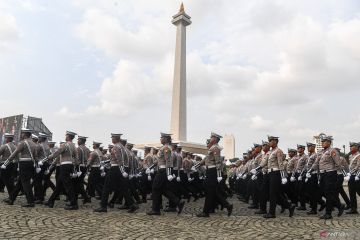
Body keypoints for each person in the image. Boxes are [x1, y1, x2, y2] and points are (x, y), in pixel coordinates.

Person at [94, 133, 138, 213]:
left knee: (106, 187)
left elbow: (119, 159)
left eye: (112, 138)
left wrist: (122, 170)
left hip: (116, 169)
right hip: (122, 168)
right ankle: (132, 204)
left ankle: (103, 206)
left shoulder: (116, 147)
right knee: (123, 188)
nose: (112, 139)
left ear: (116, 139)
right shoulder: (123, 148)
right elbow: (122, 160)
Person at [146, 133, 185, 216]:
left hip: (163, 171)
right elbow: (158, 161)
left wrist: (169, 173)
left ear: (166, 139)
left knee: (155, 188)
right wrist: (150, 167)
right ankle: (178, 202)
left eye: (162, 138)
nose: (160, 139)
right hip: (162, 169)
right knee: (162, 189)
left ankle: (155, 209)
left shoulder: (166, 148)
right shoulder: (164, 148)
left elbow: (168, 161)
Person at [196, 132, 233, 218]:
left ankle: (206, 212)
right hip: (210, 171)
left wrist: (219, 175)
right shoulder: (212, 148)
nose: (210, 138)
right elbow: (206, 160)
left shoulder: (216, 148)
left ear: (215, 139)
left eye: (212, 137)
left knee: (210, 191)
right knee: (212, 192)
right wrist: (197, 165)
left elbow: (218, 162)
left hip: (212, 172)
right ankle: (227, 205)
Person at [308, 135, 345, 219]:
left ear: (329, 142)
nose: (322, 143)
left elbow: (338, 163)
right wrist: (309, 171)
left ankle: (328, 213)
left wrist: (338, 173)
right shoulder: (321, 152)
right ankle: (339, 205)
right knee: (321, 192)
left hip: (330, 174)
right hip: (322, 174)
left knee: (328, 193)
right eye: (322, 142)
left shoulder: (333, 151)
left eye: (324, 141)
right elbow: (316, 163)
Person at [2, 129, 37, 207]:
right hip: (30, 163)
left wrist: (5, 163)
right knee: (20, 183)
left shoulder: (23, 143)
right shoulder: (34, 144)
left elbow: (14, 154)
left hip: (24, 164)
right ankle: (11, 199)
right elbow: (36, 157)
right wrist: (37, 166)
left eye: (22, 133)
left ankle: (30, 202)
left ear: (25, 134)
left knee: (26, 183)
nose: (21, 135)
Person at [45, 131, 79, 210]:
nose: (65, 136)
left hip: (64, 166)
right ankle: (51, 201)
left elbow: (56, 153)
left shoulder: (65, 145)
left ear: (68, 137)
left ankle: (74, 203)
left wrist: (48, 158)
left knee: (68, 185)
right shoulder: (73, 146)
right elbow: (76, 158)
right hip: (70, 165)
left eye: (66, 135)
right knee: (59, 185)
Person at [345, 142, 360, 214]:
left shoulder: (358, 156)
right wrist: (348, 173)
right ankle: (353, 209)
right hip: (351, 176)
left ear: (357, 147)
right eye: (350, 146)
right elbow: (350, 166)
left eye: (352, 146)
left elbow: (358, 166)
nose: (350, 147)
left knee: (359, 191)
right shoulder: (350, 156)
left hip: (357, 176)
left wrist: (350, 173)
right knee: (351, 192)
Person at [0, 133, 16, 201]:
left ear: (8, 139)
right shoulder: (15, 146)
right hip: (13, 164)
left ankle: (11, 196)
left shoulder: (4, 146)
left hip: (5, 165)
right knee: (10, 180)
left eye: (6, 138)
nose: (5, 139)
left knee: (6, 181)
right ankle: (11, 195)